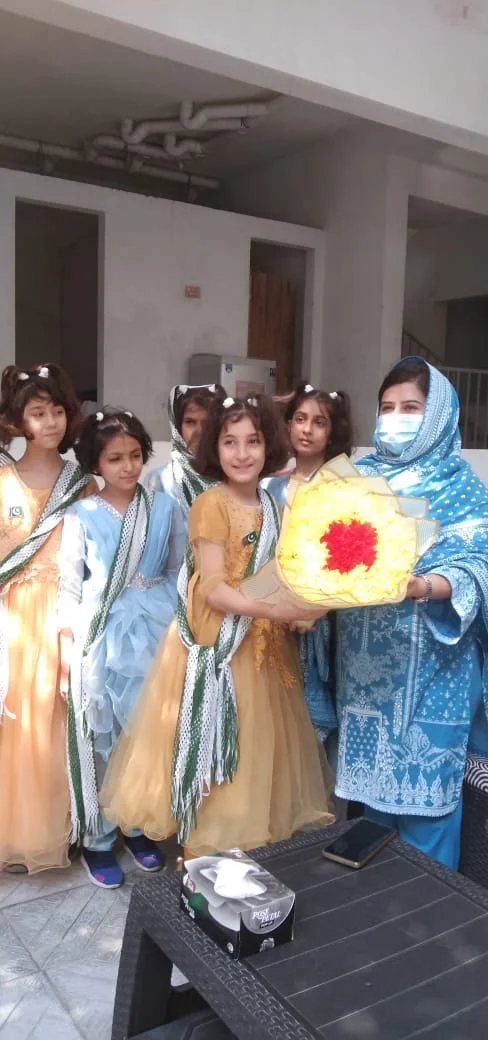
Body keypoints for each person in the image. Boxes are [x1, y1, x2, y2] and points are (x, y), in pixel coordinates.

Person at [102, 394, 332, 855]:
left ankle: (246, 853)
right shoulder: (212, 503)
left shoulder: (273, 504)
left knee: (255, 753)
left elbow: (283, 575)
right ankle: (210, 859)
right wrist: (277, 611)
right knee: (220, 750)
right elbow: (213, 588)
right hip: (218, 648)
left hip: (264, 650)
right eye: (230, 442)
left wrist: (310, 607)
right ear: (214, 447)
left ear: (269, 446)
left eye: (253, 441)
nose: (242, 453)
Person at [332, 357, 488, 869]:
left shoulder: (464, 489)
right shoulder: (355, 480)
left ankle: (429, 926)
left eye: (411, 408)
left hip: (435, 673)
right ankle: (376, 919)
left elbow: (479, 570)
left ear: (439, 413)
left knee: (427, 808)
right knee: (372, 812)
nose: (395, 417)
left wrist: (424, 585)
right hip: (366, 673)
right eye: (387, 407)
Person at [59, 410, 186, 888]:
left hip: (156, 628)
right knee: (104, 734)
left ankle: (137, 826)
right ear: (96, 462)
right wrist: (66, 646)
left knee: (148, 732)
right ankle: (98, 837)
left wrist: (169, 612)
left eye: (135, 455)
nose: (128, 466)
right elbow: (70, 585)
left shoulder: (164, 507)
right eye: (115, 458)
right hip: (104, 632)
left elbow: (177, 569)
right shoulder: (83, 514)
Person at [0, 363, 97, 874]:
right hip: (13, 622)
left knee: (58, 721)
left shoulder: (83, 484)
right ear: (16, 421)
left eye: (57, 409)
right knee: (15, 724)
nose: (51, 421)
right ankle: (13, 829)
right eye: (38, 412)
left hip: (64, 616)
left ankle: (60, 824)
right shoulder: (2, 481)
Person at [265, 382, 353, 747]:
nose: (306, 429)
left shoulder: (344, 485)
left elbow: (351, 561)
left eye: (319, 422)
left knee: (314, 734)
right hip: (270, 615)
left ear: (333, 432)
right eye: (300, 418)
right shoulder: (270, 486)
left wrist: (314, 607)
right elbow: (262, 555)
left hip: (322, 619)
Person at [144, 383, 225, 516]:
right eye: (190, 422)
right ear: (177, 426)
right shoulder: (159, 480)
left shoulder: (233, 476)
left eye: (207, 423)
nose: (199, 432)